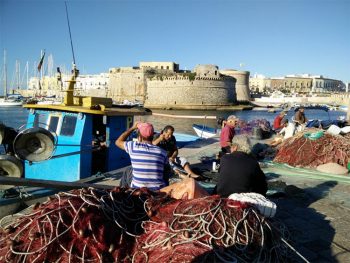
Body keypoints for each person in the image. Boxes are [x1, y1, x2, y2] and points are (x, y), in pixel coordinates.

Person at [115, 121, 168, 191]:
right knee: (165, 169)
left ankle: (122, 194)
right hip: (158, 190)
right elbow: (166, 172)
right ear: (152, 136)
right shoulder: (163, 152)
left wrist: (132, 128)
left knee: (128, 170)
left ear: (139, 137)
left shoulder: (133, 146)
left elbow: (118, 142)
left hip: (138, 190)